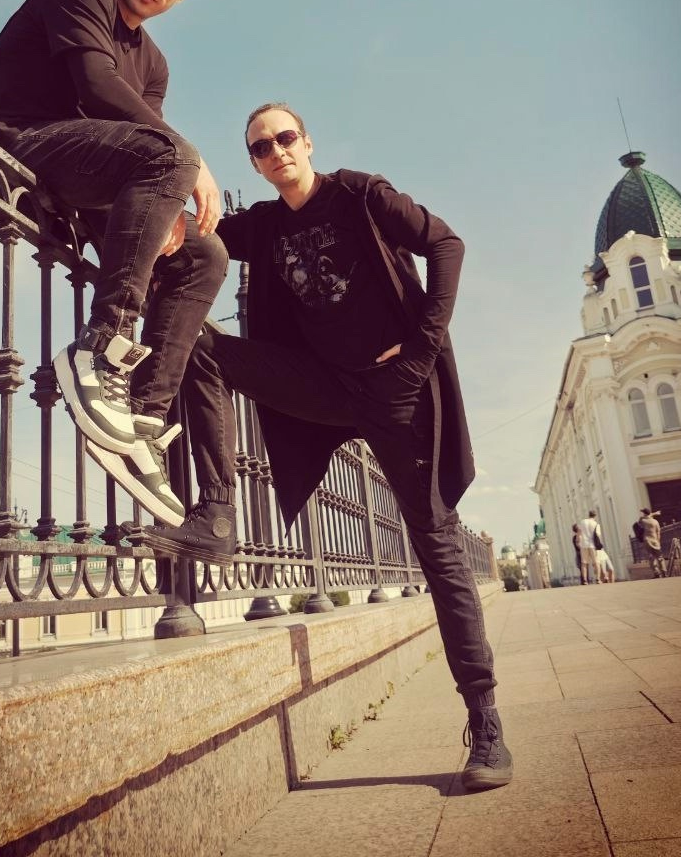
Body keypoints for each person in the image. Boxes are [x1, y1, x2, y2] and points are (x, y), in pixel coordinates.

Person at [137, 101, 513, 792]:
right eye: (261, 147)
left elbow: (447, 245)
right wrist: (147, 215)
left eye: (285, 138)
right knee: (205, 348)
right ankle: (216, 508)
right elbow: (194, 231)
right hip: (324, 387)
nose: (276, 150)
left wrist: (420, 352)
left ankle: (484, 719)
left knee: (436, 543)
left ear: (307, 142)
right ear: (254, 163)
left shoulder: (361, 195)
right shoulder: (264, 224)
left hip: (397, 391)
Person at [0, 0, 228, 524]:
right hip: (16, 141)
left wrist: (167, 199)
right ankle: (104, 350)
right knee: (175, 157)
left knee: (205, 256)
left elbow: (138, 135)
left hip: (81, 175)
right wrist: (189, 163)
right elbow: (96, 86)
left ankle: (142, 419)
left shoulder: (154, 64)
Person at [638, 507, 667, 577]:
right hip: (655, 540)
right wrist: (658, 541)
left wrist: (653, 514)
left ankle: (657, 573)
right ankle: (664, 571)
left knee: (651, 557)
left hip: (647, 540)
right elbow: (658, 532)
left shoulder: (643, 520)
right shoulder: (655, 522)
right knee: (660, 557)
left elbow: (640, 520)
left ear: (644, 514)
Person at [578, 509, 601, 586]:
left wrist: (578, 542)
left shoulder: (583, 522)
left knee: (584, 563)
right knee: (596, 562)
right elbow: (598, 535)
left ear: (588, 514)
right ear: (595, 516)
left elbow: (579, 533)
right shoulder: (596, 524)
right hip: (592, 545)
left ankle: (585, 581)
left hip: (583, 544)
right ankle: (598, 579)